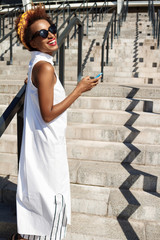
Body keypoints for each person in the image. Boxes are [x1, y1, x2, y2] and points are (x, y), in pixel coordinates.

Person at [12, 4, 101, 240]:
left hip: (42, 143)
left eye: (51, 29)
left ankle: (22, 236)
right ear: (32, 42)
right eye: (42, 34)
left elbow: (38, 91)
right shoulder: (44, 68)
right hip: (47, 146)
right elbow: (48, 114)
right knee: (53, 198)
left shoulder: (38, 63)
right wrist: (79, 90)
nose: (51, 35)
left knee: (42, 197)